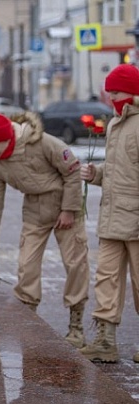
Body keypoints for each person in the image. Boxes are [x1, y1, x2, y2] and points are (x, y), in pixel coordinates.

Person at [0, 112, 89, 348]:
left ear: (8, 137)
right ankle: (28, 322)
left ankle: (76, 326)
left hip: (65, 205)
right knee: (26, 266)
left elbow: (72, 172)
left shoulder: (42, 142)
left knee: (75, 264)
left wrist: (69, 210)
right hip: (34, 210)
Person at [79, 63, 139, 363]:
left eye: (116, 92)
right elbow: (120, 170)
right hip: (112, 216)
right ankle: (105, 341)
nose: (111, 97)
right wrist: (97, 174)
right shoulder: (115, 123)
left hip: (136, 218)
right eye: (109, 92)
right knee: (106, 278)